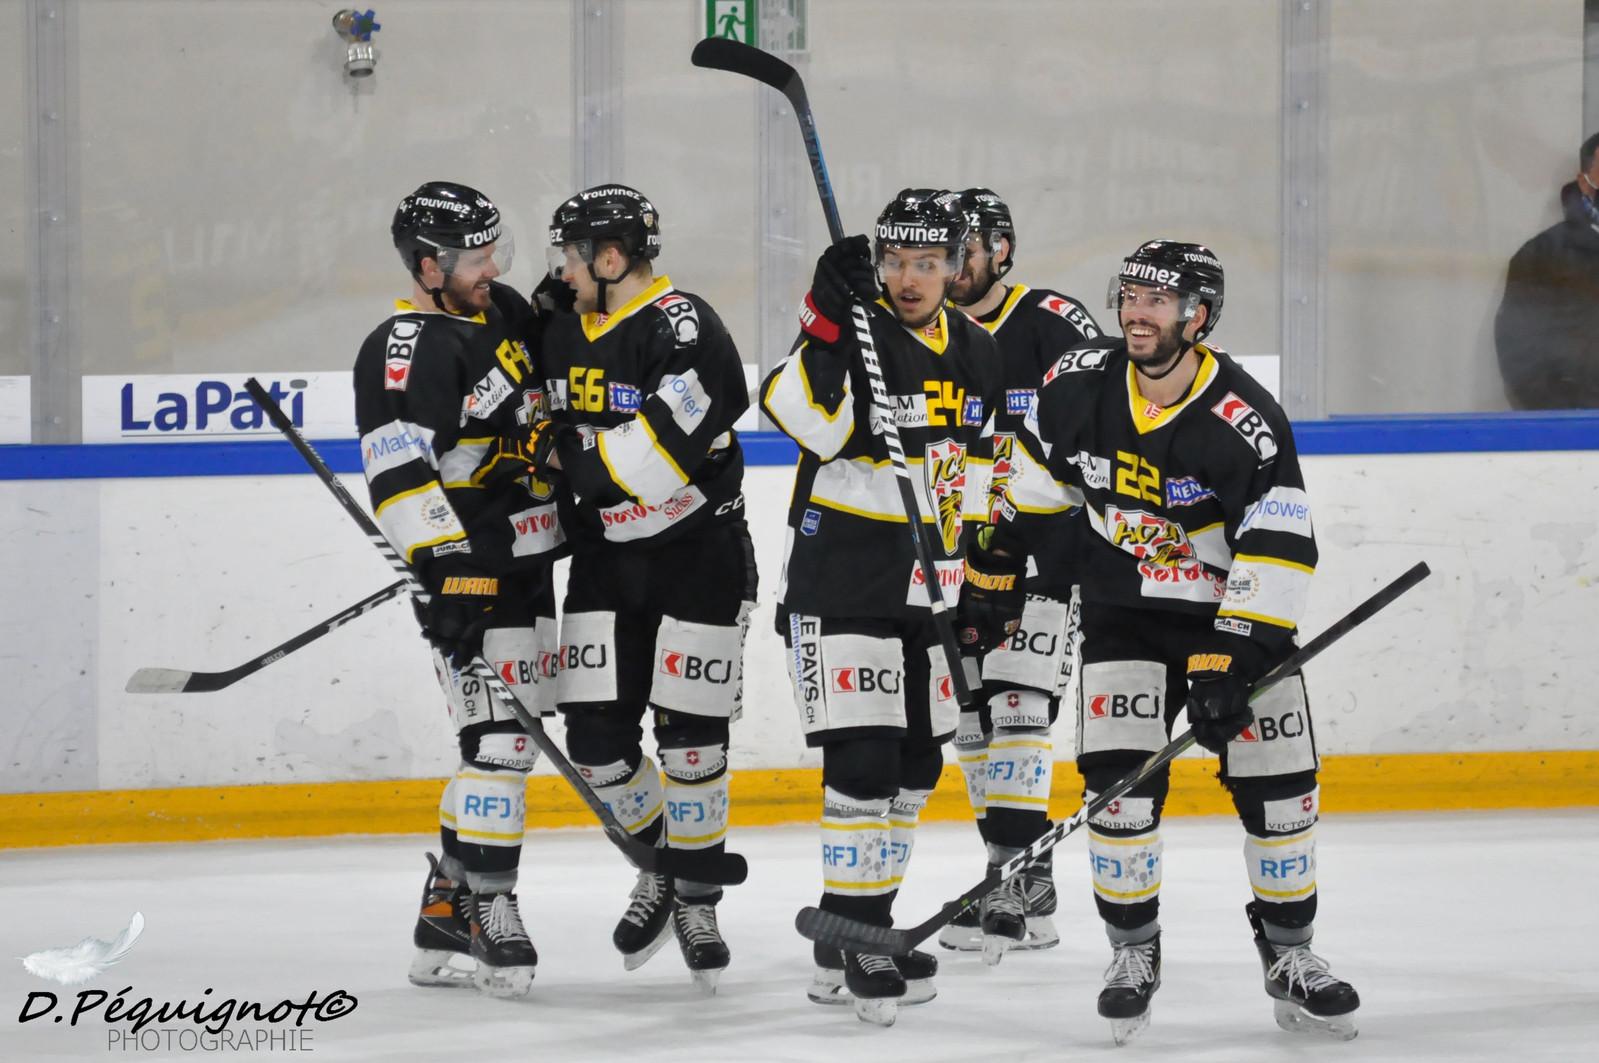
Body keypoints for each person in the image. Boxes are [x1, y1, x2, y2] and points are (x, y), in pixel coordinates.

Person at [968, 240, 1360, 1043]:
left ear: (1198, 316)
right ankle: (1131, 951)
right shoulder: (1077, 382)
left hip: (1231, 619)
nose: (1135, 313)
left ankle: (1289, 952)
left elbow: (1278, 546)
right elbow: (1040, 481)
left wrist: (1233, 655)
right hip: (1124, 612)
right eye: (1128, 296)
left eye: (1155, 300)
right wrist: (998, 556)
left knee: (1280, 791)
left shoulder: (1243, 417)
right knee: (1117, 794)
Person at [760, 189, 1003, 1026]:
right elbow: (802, 419)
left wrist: (977, 575)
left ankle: (851, 929)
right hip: (840, 585)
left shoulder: (975, 348)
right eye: (894, 261)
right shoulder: (854, 330)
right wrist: (823, 319)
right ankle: (863, 936)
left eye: (926, 263)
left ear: (955, 267)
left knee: (913, 769)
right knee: (861, 767)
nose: (908, 278)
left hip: (927, 589)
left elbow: (980, 467)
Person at [533, 184, 755, 994]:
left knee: (691, 741)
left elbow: (643, 464)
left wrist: (566, 457)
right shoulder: (559, 324)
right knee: (594, 741)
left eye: (570, 253)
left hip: (699, 559)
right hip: (604, 564)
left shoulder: (688, 329)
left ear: (610, 257)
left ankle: (696, 898)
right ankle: (665, 866)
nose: (559, 268)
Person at [354, 181, 565, 1000]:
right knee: (500, 744)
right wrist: (444, 569)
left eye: (493, 252)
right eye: (475, 258)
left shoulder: (500, 310)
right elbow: (400, 472)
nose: (492, 270)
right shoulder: (401, 347)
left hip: (528, 561)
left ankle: (445, 903)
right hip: (471, 573)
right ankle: (488, 906)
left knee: (503, 741)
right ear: (427, 266)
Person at [939, 187, 1102, 962]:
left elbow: (1101, 423)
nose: (948, 268)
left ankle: (1009, 876)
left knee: (1017, 704)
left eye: (963, 252)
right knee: (973, 719)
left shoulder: (1054, 322)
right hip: (950, 552)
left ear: (1000, 251)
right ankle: (1021, 872)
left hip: (1042, 548)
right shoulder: (915, 328)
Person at [1495, 131, 1599, 408]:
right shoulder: (1543, 256)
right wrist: (1576, 418)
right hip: (1579, 424)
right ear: (1585, 183)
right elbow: (1522, 359)